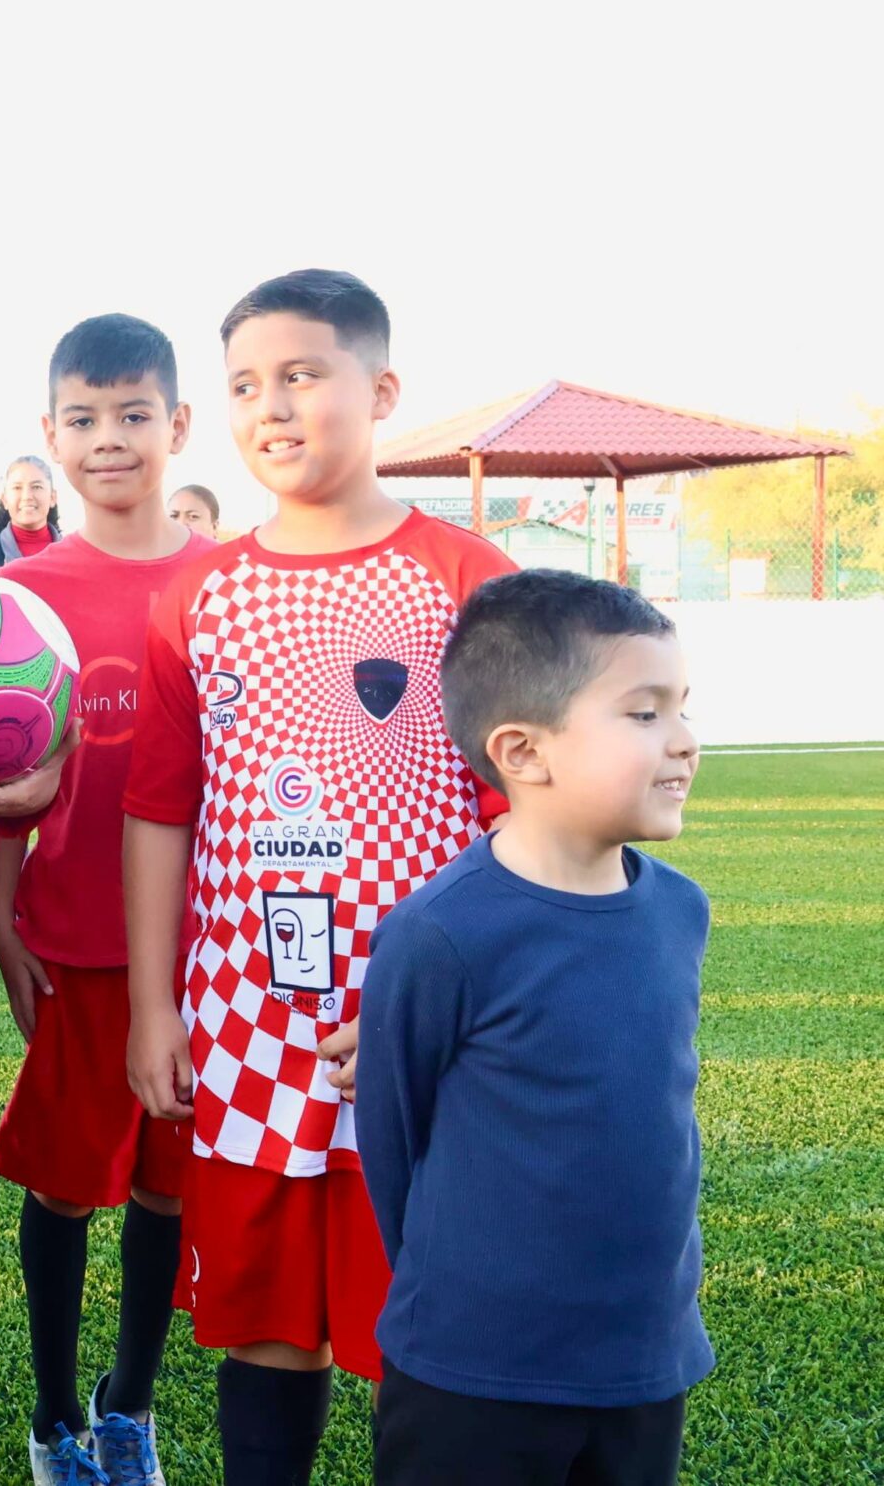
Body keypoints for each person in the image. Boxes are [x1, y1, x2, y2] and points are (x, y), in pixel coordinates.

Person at [120, 270, 515, 1486]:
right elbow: (157, 809)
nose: (270, 407)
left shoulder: (466, 577)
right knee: (265, 1331)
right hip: (249, 1031)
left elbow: (524, 817)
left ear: (380, 389)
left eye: (301, 374)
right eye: (243, 385)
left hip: (423, 1033)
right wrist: (153, 1006)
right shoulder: (196, 591)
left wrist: (470, 1004)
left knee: (423, 1332)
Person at [359, 571, 711, 1486]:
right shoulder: (440, 934)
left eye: (682, 708)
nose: (684, 742)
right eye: (644, 715)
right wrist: (461, 1301)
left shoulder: (681, 911)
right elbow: (394, 1141)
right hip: (472, 1382)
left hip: (643, 1364)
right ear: (523, 750)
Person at [0, 315, 212, 1486]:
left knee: (169, 1191)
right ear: (49, 434)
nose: (108, 440)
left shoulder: (227, 582)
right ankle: (56, 1416)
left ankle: (130, 1404)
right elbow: (11, 772)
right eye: (83, 418)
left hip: (208, 955)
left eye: (133, 416)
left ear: (176, 425)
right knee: (68, 1187)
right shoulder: (22, 591)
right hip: (75, 943)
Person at [0, 454, 63, 572]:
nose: (27, 496)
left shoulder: (73, 556)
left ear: (53, 497)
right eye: (17, 488)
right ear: (5, 500)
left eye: (37, 487)